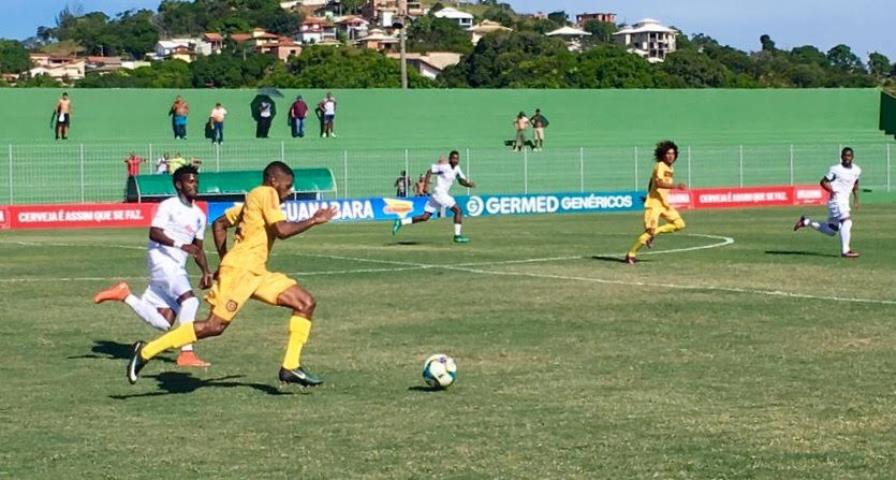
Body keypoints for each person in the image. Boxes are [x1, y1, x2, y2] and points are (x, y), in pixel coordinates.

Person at [126, 161, 338, 387]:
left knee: (305, 303)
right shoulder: (266, 192)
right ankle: (146, 352)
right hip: (242, 272)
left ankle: (290, 367)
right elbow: (282, 230)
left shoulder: (254, 201)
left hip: (256, 272)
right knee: (213, 326)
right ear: (274, 181)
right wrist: (314, 220)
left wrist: (225, 258)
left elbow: (219, 223)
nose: (290, 190)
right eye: (288, 185)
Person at [94, 165, 213, 368]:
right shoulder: (169, 205)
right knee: (190, 302)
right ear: (178, 184)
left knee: (164, 322)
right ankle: (186, 353)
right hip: (162, 260)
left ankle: (125, 295)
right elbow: (154, 233)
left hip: (176, 266)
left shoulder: (199, 215)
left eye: (196, 181)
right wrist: (179, 244)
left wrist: (206, 272)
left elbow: (197, 249)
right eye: (190, 181)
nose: (194, 185)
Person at [625, 140, 688, 264]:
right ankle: (631, 254)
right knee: (650, 231)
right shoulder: (660, 165)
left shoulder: (670, 168)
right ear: (663, 155)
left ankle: (656, 232)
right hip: (654, 204)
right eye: (668, 153)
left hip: (664, 204)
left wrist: (649, 193)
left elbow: (651, 181)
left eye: (673, 153)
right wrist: (675, 186)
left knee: (680, 224)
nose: (671, 156)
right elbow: (658, 183)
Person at [392, 151, 475, 243]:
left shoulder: (457, 169)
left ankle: (401, 222)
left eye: (457, 158)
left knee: (425, 217)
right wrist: (426, 186)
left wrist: (468, 184)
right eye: (454, 158)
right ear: (450, 158)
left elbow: (460, 181)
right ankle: (457, 236)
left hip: (439, 195)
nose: (455, 160)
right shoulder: (444, 167)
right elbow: (430, 171)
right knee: (458, 211)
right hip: (440, 193)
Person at [793, 147, 862, 258]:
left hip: (844, 201)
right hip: (836, 200)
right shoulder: (835, 169)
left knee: (831, 230)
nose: (846, 158)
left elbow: (856, 184)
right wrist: (833, 190)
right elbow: (823, 182)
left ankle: (806, 221)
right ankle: (846, 251)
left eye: (849, 155)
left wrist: (856, 199)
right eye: (844, 155)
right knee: (847, 222)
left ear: (853, 157)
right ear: (841, 157)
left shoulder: (857, 170)